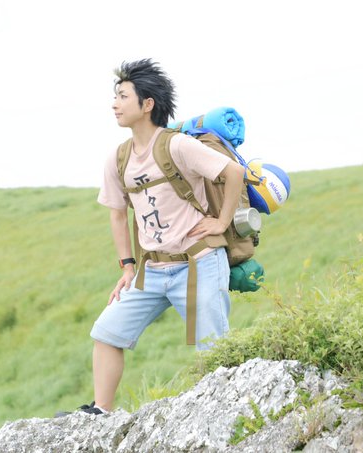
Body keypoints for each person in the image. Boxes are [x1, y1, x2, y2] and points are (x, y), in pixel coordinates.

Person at [61, 59, 244, 416]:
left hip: (199, 261)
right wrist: (128, 267)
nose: (115, 104)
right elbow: (118, 214)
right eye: (115, 96)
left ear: (147, 104)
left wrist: (221, 222)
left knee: (213, 349)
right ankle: (101, 412)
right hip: (153, 269)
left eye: (123, 96)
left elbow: (233, 172)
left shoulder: (177, 146)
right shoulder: (118, 158)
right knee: (107, 332)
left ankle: (224, 415)